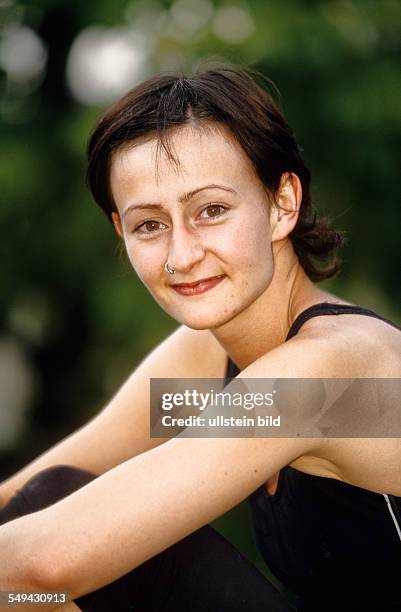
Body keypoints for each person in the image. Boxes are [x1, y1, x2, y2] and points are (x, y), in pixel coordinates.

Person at [0, 65, 400, 612]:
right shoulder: (207, 354)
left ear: (282, 202)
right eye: (150, 225)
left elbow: (42, 566)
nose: (180, 256)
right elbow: (26, 493)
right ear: (121, 230)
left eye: (211, 211)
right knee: (51, 495)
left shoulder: (325, 374)